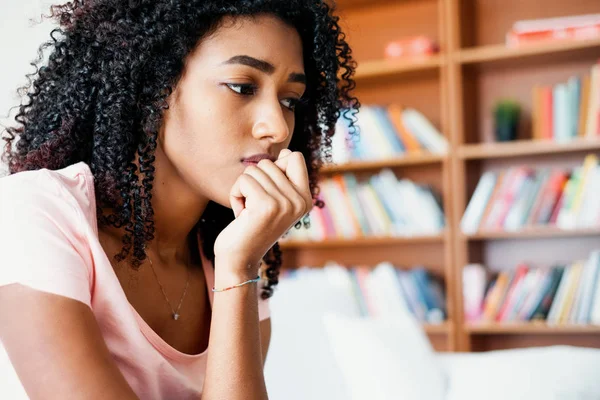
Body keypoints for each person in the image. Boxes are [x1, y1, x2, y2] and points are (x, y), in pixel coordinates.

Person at [0, 0, 359, 399]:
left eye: (290, 100)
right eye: (242, 87)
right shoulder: (37, 211)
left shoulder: (234, 259)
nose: (276, 127)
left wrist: (239, 267)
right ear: (154, 87)